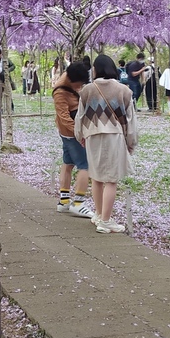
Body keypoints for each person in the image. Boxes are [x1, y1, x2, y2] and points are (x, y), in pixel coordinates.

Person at [74, 55, 138, 233]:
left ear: (95, 69)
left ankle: (98, 214)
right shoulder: (123, 90)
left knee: (96, 177)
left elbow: (80, 116)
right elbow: (130, 121)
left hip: (92, 135)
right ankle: (106, 221)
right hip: (113, 136)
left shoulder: (87, 90)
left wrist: (80, 135)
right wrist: (131, 143)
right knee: (111, 179)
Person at [52, 61, 92, 218]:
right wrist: (79, 133)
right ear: (73, 80)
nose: (80, 86)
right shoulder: (60, 92)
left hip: (67, 133)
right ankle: (78, 203)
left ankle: (63, 202)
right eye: (79, 84)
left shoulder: (68, 76)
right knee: (85, 165)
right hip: (71, 133)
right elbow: (63, 117)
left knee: (68, 163)